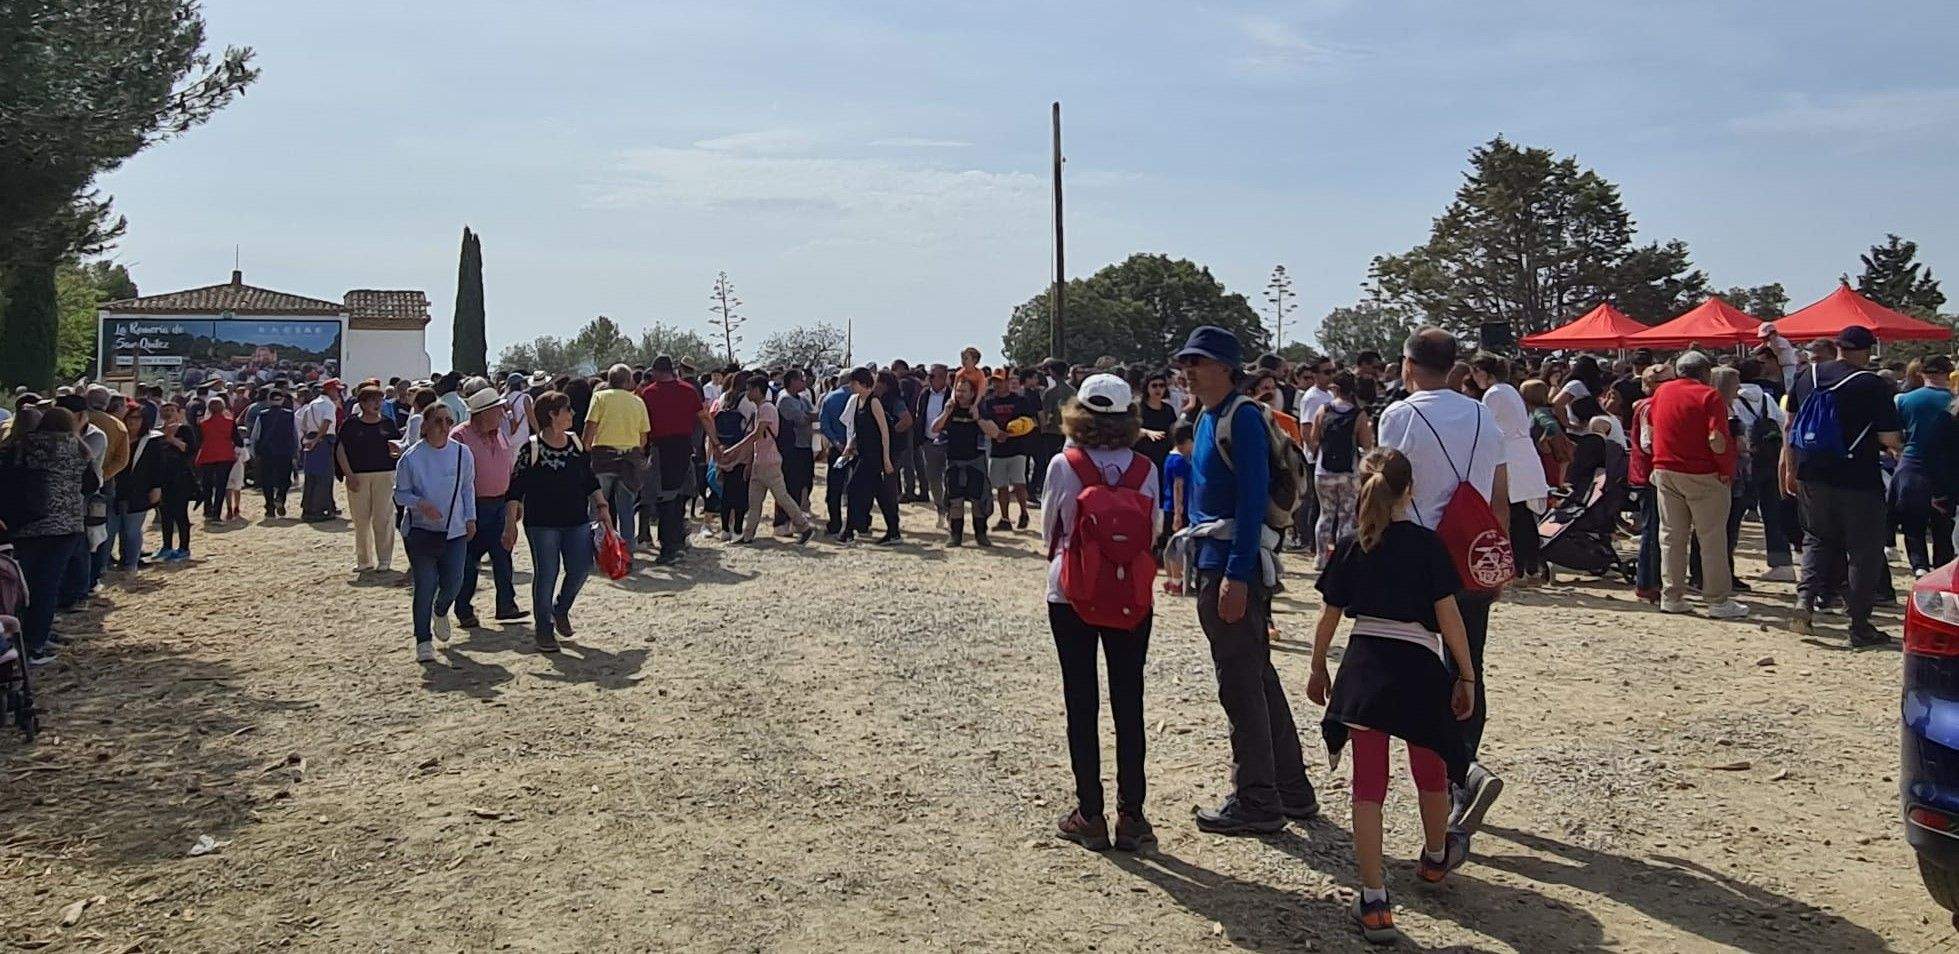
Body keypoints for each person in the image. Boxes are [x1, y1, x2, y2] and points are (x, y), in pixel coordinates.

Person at [1307, 447, 1476, 944]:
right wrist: (1466, 675)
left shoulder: (1352, 545)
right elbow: (1448, 617)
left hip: (1364, 667)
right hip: (1418, 667)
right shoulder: (1427, 545)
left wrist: (1318, 666)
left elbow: (1329, 615)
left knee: (1369, 784)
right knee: (1430, 769)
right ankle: (1436, 859)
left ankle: (1375, 898)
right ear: (1410, 490)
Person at [1170, 325, 1317, 834]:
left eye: (1197, 361)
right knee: (1256, 675)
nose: (1188, 370)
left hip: (1233, 565)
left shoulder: (1242, 417)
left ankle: (1257, 800)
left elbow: (1252, 499)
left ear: (1226, 368)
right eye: (1185, 362)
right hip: (1219, 561)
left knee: (1240, 684)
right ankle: (1291, 789)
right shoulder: (1210, 416)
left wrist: (1235, 574)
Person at [1375, 327, 1508, 842]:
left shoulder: (1400, 416)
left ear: (1408, 364)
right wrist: (1496, 557)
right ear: (1455, 367)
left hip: (1418, 554)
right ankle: (1460, 776)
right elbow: (1499, 491)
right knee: (1467, 667)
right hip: (1471, 549)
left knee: (1412, 667)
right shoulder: (1483, 414)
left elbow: (1386, 490)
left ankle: (1459, 771)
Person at [1043, 374, 1161, 854]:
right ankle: (1132, 814)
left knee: (1081, 699)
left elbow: (1051, 529)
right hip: (1130, 591)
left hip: (1072, 591)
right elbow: (1153, 528)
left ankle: (1089, 813)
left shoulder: (1064, 464)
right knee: (1129, 700)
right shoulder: (1144, 468)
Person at [1785, 326, 1903, 647]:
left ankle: (1805, 601)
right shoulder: (1871, 384)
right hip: (1857, 477)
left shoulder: (1806, 375)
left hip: (1810, 472)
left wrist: (1790, 469)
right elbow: (1888, 438)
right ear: (1866, 351)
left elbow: (1790, 425)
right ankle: (1860, 625)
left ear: (1838, 347)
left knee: (1816, 539)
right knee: (1864, 550)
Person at [504, 391, 610, 653]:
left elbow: (589, 479)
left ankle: (560, 609)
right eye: (567, 409)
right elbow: (515, 490)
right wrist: (510, 525)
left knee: (581, 568)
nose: (572, 414)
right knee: (546, 574)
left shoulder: (575, 443)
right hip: (542, 524)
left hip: (576, 520)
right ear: (552, 415)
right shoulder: (531, 449)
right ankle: (544, 629)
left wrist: (602, 507)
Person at [1647, 352, 1746, 620]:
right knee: (1711, 538)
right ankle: (1717, 600)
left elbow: (1652, 427)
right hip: (1703, 473)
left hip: (1665, 469)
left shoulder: (1662, 392)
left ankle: (1672, 596)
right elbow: (1716, 438)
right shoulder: (1709, 396)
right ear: (1705, 372)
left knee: (1671, 536)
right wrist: (1726, 469)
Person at [394, 405, 476, 662]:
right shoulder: (411, 458)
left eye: (449, 421)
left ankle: (440, 610)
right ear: (425, 424)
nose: (444, 426)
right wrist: (420, 504)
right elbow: (399, 494)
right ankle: (423, 640)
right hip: (421, 532)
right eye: (438, 420)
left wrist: (470, 517)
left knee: (454, 582)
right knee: (425, 585)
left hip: (455, 529)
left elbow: (467, 488)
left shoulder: (462, 453)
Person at [10, 407, 91, 665]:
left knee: (22, 585)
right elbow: (92, 483)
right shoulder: (79, 449)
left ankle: (16, 636)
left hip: (28, 522)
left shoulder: (26, 446)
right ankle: (37, 643)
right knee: (48, 585)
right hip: (66, 526)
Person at [451, 384, 525, 628]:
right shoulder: (459, 437)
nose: (502, 414)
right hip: (472, 507)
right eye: (497, 410)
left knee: (503, 555)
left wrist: (514, 503)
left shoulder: (500, 434)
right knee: (469, 561)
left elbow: (509, 468)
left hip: (500, 504)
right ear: (482, 413)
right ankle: (464, 609)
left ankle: (506, 605)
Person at [1472, 356, 1549, 584]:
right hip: (1521, 455)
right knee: (1523, 516)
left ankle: (1521, 568)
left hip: (1510, 457)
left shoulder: (1494, 394)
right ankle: (1530, 566)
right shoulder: (1509, 390)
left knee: (1516, 516)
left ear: (1484, 372)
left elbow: (1485, 427)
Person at [724, 376, 817, 544]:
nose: (747, 393)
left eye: (750, 389)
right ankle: (748, 534)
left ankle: (804, 527)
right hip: (761, 461)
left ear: (758, 390)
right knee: (755, 502)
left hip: (770, 461)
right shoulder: (761, 409)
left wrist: (733, 450)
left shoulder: (767, 408)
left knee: (782, 498)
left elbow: (757, 434)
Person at [637, 356, 705, 566]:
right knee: (680, 496)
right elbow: (704, 417)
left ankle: (669, 548)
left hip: (661, 449)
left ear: (657, 372)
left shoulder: (649, 393)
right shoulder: (689, 391)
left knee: (665, 498)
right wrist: (714, 443)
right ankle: (677, 541)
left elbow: (643, 425)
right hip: (684, 448)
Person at [1892, 354, 1954, 577]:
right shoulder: (1954, 401)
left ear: (1921, 373)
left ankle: (1919, 565)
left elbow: (1894, 435)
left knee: (1912, 521)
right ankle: (1942, 567)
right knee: (1943, 524)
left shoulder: (1903, 400)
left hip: (1911, 463)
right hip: (1946, 467)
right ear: (1948, 374)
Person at [1307, 370, 1374, 566]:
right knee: (1346, 517)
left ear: (1335, 388)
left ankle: (1320, 558)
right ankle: (1341, 560)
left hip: (1323, 470)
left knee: (1325, 514)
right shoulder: (1359, 414)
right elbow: (1367, 445)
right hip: (1349, 472)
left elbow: (1313, 438)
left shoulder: (1323, 410)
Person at [336, 384, 402, 575]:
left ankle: (384, 559)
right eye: (372, 400)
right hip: (358, 476)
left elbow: (398, 446)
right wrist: (348, 474)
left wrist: (396, 453)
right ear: (362, 403)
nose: (377, 404)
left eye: (379, 400)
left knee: (384, 517)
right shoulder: (351, 424)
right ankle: (364, 560)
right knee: (361, 519)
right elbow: (340, 450)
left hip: (385, 475)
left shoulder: (388, 423)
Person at [584, 364, 651, 541]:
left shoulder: (599, 397)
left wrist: (587, 449)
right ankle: (628, 551)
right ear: (629, 381)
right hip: (629, 460)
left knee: (598, 508)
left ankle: (595, 549)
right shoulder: (638, 402)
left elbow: (590, 428)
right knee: (626, 511)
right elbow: (643, 439)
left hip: (603, 458)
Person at [932, 375, 998, 547]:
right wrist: (945, 413)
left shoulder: (980, 408)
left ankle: (981, 534)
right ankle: (956, 536)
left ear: (972, 393)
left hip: (975, 461)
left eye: (964, 391)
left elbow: (994, 432)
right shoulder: (950, 409)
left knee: (978, 500)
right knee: (955, 500)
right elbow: (934, 428)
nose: (960, 394)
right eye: (958, 390)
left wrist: (978, 418)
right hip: (954, 461)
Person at [841, 368, 899, 545]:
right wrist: (850, 444)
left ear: (862, 383)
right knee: (881, 494)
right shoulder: (857, 401)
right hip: (863, 453)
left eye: (854, 383)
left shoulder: (874, 402)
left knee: (853, 489)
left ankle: (848, 531)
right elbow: (859, 429)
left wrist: (886, 458)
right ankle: (894, 530)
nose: (851, 386)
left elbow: (884, 431)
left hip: (874, 456)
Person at [980, 369, 1038, 532]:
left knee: (1019, 484)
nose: (997, 384)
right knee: (1001, 486)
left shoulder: (1020, 400)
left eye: (1000, 380)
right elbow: (985, 421)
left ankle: (1024, 513)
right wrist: (996, 434)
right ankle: (1005, 519)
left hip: (1017, 448)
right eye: (994, 381)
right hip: (997, 449)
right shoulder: (989, 402)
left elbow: (1029, 421)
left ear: (1008, 381)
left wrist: (1012, 433)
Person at [109, 404, 163, 572]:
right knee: (114, 528)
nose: (133, 422)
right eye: (130, 418)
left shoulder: (151, 440)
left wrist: (156, 487)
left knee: (132, 529)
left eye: (137, 418)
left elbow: (158, 466)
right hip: (116, 488)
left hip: (139, 490)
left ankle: (131, 563)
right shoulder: (117, 437)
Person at [153, 401, 199, 561]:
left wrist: (172, 439)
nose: (168, 413)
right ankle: (166, 546)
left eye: (171, 410)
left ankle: (184, 548)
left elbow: (190, 450)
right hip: (163, 478)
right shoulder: (156, 433)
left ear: (178, 413)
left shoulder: (185, 430)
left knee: (181, 514)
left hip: (181, 478)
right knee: (165, 515)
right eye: (165, 410)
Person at [774, 369, 819, 531]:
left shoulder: (802, 398)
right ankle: (782, 522)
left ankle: (796, 519)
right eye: (801, 379)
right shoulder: (785, 399)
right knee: (789, 485)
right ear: (792, 381)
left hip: (804, 446)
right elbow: (802, 419)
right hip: (791, 448)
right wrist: (808, 416)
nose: (804, 382)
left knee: (804, 482)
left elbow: (814, 414)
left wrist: (809, 415)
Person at [296, 379, 342, 521]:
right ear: (330, 390)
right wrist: (317, 439)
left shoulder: (312, 404)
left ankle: (309, 508)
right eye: (337, 390)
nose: (338, 393)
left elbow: (304, 424)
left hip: (310, 438)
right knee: (324, 477)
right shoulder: (328, 405)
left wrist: (308, 439)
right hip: (323, 440)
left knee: (311, 476)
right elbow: (326, 422)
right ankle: (319, 510)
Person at [915, 364, 955, 526]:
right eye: (930, 375)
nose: (930, 378)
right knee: (933, 479)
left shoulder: (952, 395)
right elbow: (920, 415)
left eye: (934, 375)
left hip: (948, 443)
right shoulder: (924, 394)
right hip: (929, 442)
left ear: (944, 377)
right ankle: (940, 509)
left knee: (950, 479)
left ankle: (950, 511)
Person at [250, 388, 297, 518]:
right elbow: (295, 435)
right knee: (285, 480)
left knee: (267, 481)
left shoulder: (262, 415)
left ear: (269, 401)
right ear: (282, 400)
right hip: (285, 452)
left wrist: (254, 453)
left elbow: (255, 435)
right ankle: (280, 498)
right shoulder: (290, 415)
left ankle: (269, 507)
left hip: (267, 453)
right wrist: (295, 451)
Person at [193, 397, 237, 524]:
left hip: (207, 454)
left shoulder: (203, 424)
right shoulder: (230, 422)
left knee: (207, 484)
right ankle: (216, 514)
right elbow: (237, 439)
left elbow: (198, 441)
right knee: (220, 486)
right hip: (225, 454)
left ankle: (208, 509)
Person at [819, 378, 854, 536]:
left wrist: (836, 442)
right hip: (856, 450)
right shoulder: (859, 398)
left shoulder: (830, 398)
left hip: (838, 450)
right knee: (858, 486)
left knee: (835, 487)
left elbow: (824, 425)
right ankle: (860, 522)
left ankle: (835, 523)